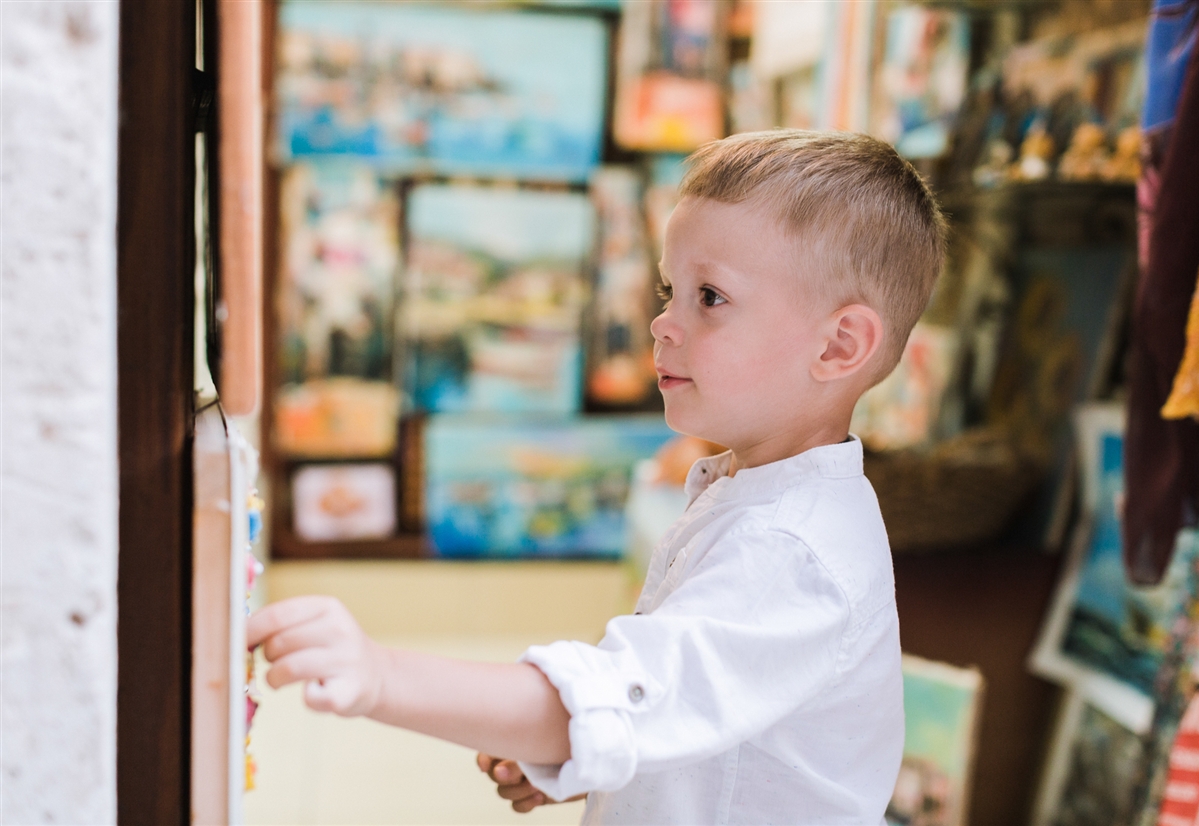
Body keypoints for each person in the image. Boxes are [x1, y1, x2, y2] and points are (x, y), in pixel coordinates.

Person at [248, 129, 946, 825]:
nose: (661, 323)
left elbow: (621, 693)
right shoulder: (756, 495)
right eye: (672, 290)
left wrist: (379, 676)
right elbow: (697, 711)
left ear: (838, 345)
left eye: (710, 297)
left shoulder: (793, 551)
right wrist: (580, 760)